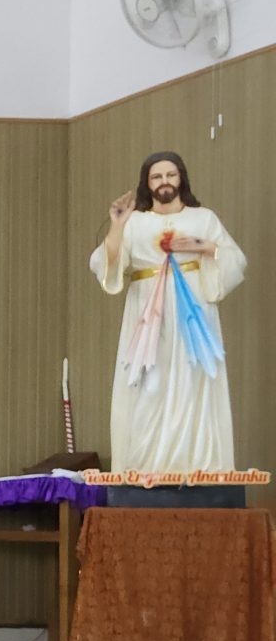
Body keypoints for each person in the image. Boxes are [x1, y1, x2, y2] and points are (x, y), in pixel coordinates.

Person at [90, 151, 247, 474]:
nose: (165, 182)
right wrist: (117, 225)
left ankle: (197, 466)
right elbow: (106, 263)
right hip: (148, 311)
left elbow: (235, 260)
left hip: (193, 309)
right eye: (157, 177)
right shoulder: (135, 222)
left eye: (170, 175)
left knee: (194, 380)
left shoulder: (203, 218)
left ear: (181, 178)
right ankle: (146, 466)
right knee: (150, 383)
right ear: (147, 183)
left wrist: (206, 247)